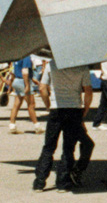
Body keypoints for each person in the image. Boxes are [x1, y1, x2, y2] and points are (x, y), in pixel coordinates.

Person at [32, 60, 94, 192]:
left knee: (49, 146)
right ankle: (63, 181)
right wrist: (85, 109)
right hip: (74, 108)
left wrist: (48, 105)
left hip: (56, 108)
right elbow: (88, 91)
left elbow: (42, 88)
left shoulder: (51, 64)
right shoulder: (81, 66)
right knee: (68, 147)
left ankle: (39, 181)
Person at [7, 55, 43, 134]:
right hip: (23, 81)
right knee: (31, 104)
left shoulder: (16, 57)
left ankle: (12, 125)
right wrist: (27, 85)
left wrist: (11, 83)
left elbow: (13, 71)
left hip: (16, 80)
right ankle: (37, 126)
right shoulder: (26, 57)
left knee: (16, 104)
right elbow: (25, 71)